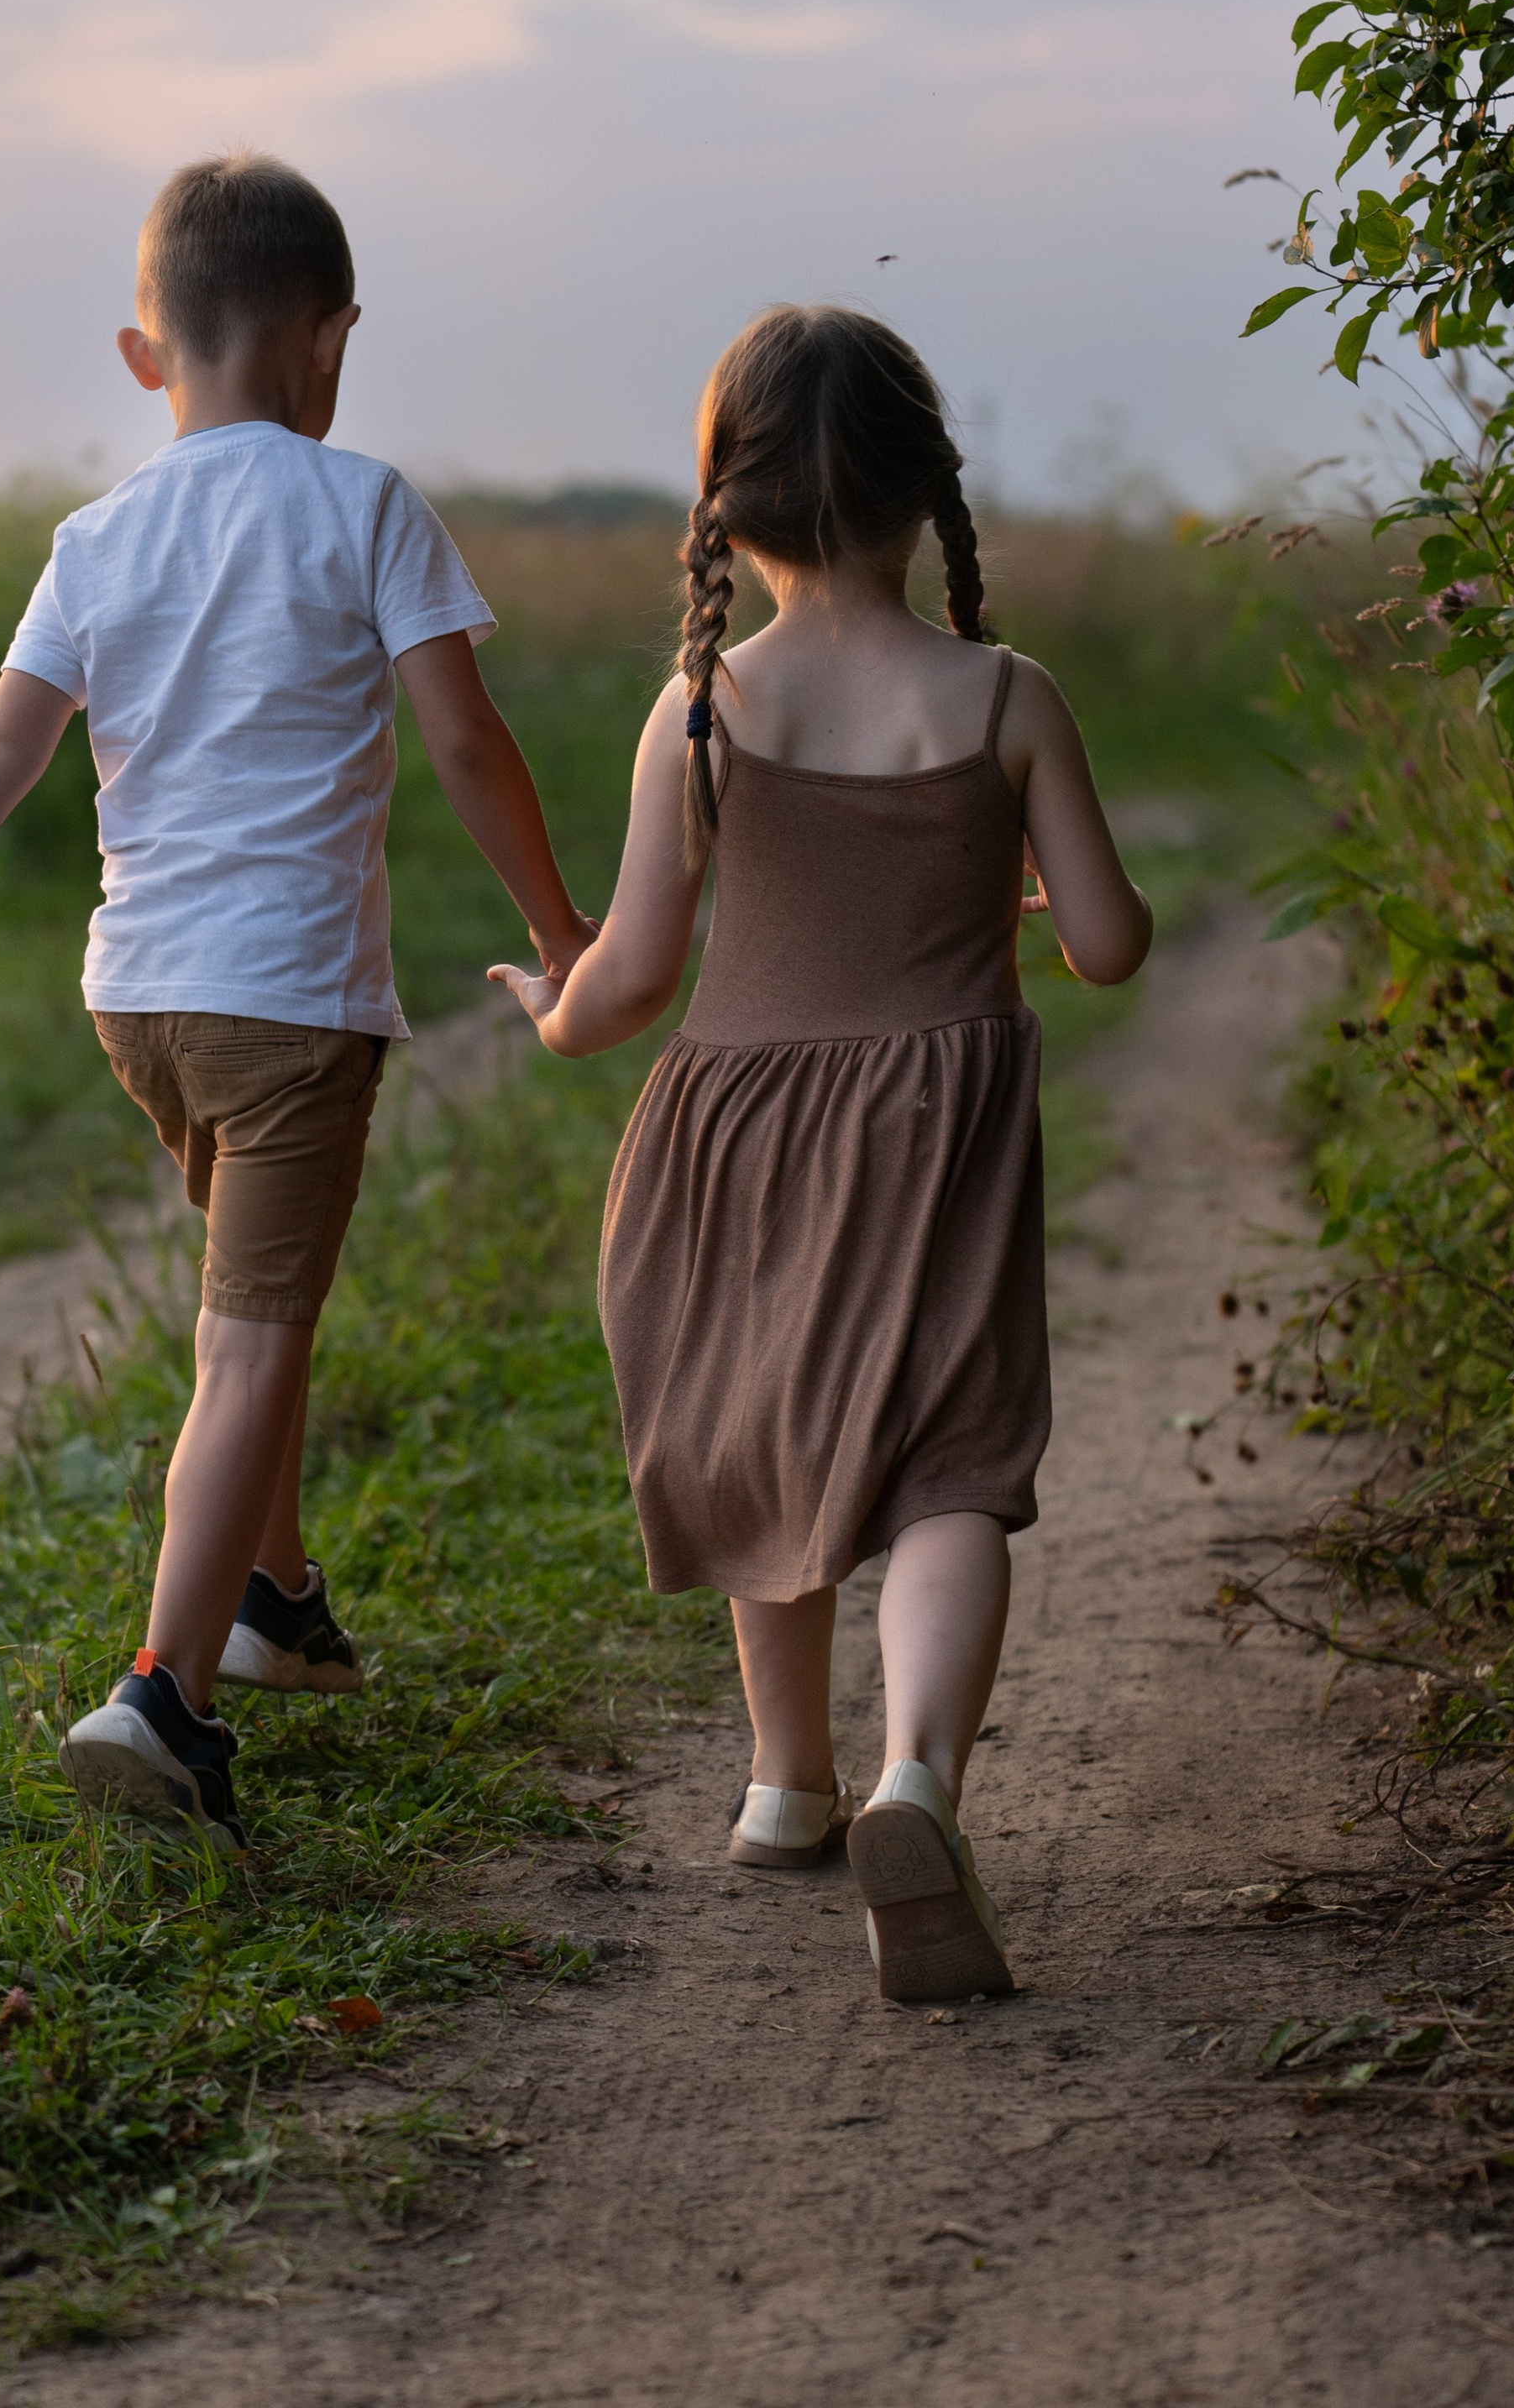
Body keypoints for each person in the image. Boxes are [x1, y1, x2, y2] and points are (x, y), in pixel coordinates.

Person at [0, 151, 594, 1858]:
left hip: (141, 1001)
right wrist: (562, 919)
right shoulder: (363, 503)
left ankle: (277, 1602)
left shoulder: (95, 537)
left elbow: (0, 751)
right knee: (250, 1344)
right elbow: (462, 738)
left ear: (139, 352)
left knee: (260, 1310)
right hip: (290, 1007)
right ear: (330, 341)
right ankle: (165, 1695)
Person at [490, 305, 1150, 2002]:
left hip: (736, 1125)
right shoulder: (1005, 696)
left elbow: (630, 974)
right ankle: (914, 1773)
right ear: (927, 492)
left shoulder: (699, 709)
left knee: (756, 1433)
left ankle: (786, 1782)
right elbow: (1105, 945)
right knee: (946, 1465)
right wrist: (1041, 890)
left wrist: (546, 1015)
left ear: (730, 507)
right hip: (934, 1133)